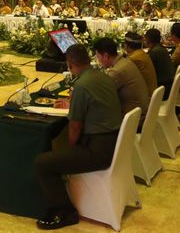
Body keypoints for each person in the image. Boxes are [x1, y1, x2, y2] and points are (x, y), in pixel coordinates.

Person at [33, 44, 122, 230]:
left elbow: (74, 128)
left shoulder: (82, 85)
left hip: (98, 150)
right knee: (57, 154)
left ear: (70, 64)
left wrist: (70, 150)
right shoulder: (103, 76)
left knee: (43, 163)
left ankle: (65, 212)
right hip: (114, 142)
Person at [93, 37, 148, 118]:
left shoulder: (116, 71)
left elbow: (99, 96)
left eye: (98, 56)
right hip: (139, 112)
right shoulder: (125, 61)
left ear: (105, 56)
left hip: (132, 119)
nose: (98, 60)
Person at [144, 28, 175, 100]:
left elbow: (149, 72)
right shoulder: (162, 49)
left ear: (148, 40)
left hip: (162, 90)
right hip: (168, 87)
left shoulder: (154, 52)